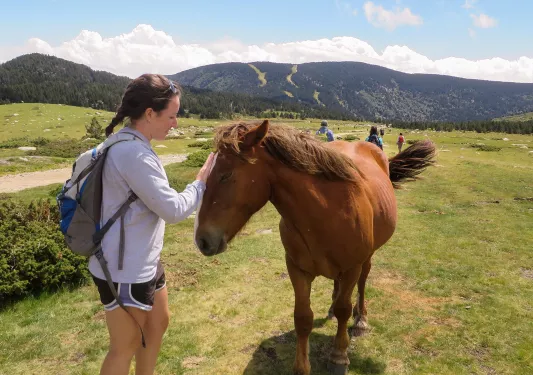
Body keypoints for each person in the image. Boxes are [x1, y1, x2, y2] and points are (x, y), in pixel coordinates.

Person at [90, 74, 215, 375]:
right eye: (171, 116)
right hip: (123, 270)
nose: (175, 123)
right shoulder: (132, 153)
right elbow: (172, 210)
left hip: (141, 262)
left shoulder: (128, 143)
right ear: (149, 113)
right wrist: (200, 182)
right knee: (125, 346)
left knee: (158, 323)